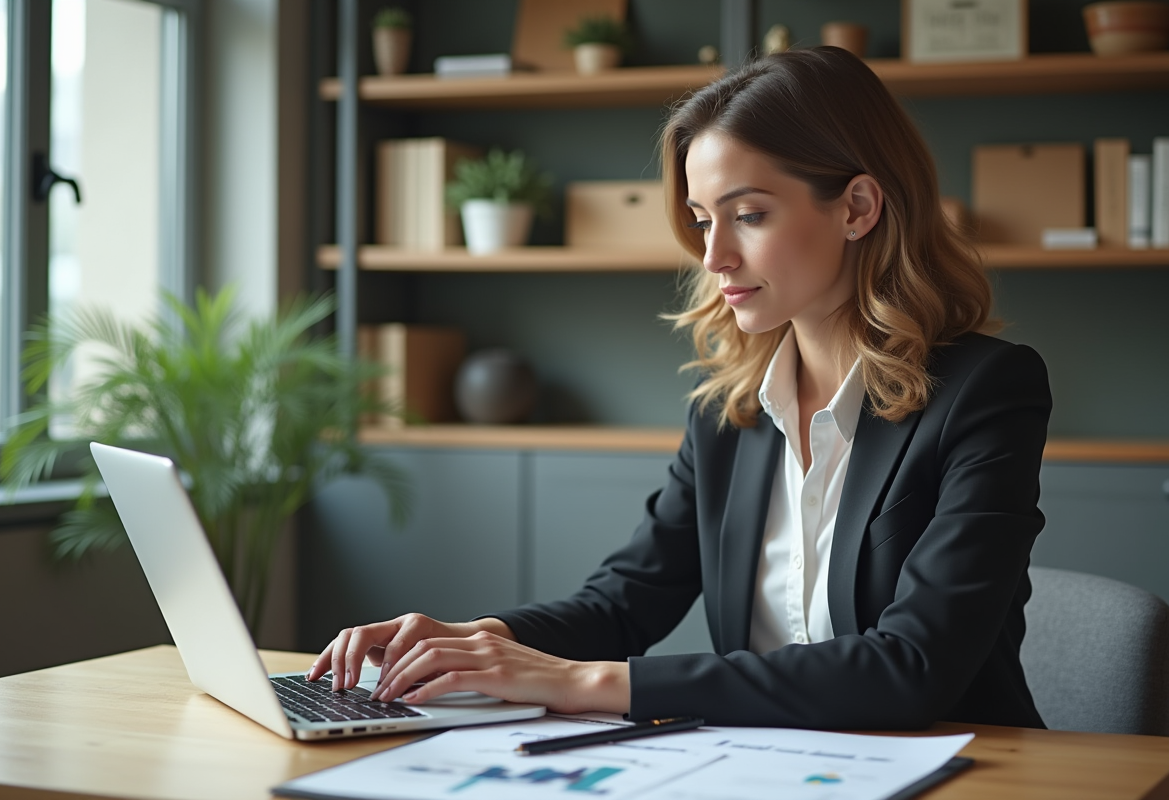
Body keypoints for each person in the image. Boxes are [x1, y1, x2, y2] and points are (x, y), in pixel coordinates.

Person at [307, 47, 1051, 730]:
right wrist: (474, 640)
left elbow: (910, 668)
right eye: (701, 221)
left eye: (749, 215)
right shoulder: (729, 410)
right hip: (767, 768)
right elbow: (625, 601)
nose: (715, 255)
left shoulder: (986, 391)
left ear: (857, 207)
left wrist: (585, 684)